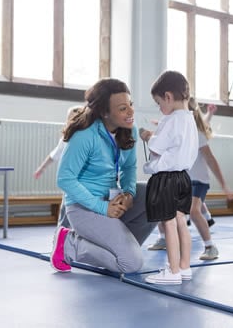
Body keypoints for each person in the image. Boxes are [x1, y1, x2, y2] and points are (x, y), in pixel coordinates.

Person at [49, 78, 156, 274]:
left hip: (111, 200)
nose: (131, 112)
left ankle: (114, 246)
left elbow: (129, 167)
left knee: (156, 194)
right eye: (123, 108)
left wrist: (129, 193)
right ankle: (69, 243)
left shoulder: (128, 129)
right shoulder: (84, 134)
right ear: (105, 113)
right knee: (131, 264)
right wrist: (103, 208)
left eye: (130, 105)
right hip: (84, 208)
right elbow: (65, 178)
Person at [142, 99, 233, 260]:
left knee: (193, 211)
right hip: (182, 179)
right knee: (163, 207)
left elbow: (211, 160)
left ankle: (210, 246)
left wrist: (224, 185)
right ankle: (163, 238)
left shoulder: (196, 133)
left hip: (198, 181)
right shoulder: (177, 128)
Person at [141, 70, 198, 285]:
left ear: (168, 97)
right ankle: (184, 267)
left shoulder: (171, 119)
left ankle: (172, 270)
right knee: (181, 221)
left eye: (158, 103)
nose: (160, 109)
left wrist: (147, 135)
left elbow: (157, 145)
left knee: (169, 223)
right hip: (184, 177)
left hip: (167, 178)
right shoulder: (189, 119)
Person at [33, 105, 82, 228]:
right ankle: (61, 233)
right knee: (66, 209)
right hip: (71, 181)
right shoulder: (66, 139)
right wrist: (41, 168)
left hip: (85, 181)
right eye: (71, 120)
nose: (74, 123)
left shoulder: (88, 137)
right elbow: (53, 155)